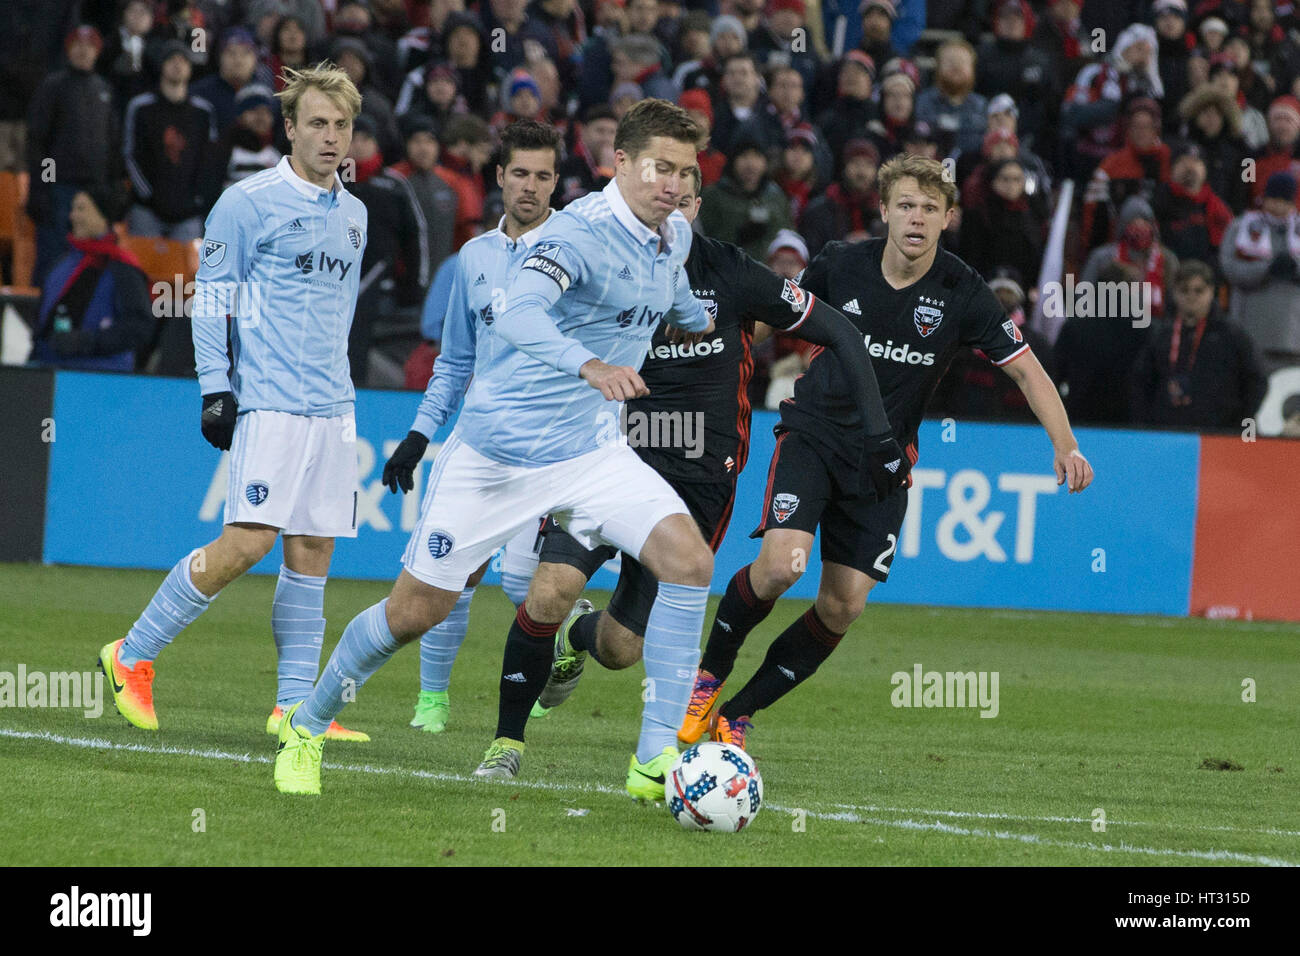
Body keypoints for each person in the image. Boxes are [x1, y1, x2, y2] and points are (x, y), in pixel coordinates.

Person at [269, 100, 718, 797]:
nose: (674, 184)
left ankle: (653, 759)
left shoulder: (673, 236)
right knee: (413, 615)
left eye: (686, 172)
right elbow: (517, 313)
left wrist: (699, 318)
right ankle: (308, 722)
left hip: (590, 453)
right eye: (661, 167)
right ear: (621, 163)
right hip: (495, 458)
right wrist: (588, 366)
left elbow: (673, 293)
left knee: (689, 562)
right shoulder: (577, 235)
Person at [497, 169, 901, 799]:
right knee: (548, 589)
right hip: (606, 466)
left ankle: (579, 637)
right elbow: (535, 332)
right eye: (662, 197)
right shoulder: (605, 267)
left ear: (698, 207)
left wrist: (880, 434)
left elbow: (836, 331)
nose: (672, 210)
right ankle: (506, 745)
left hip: (694, 489)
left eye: (684, 199)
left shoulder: (734, 274)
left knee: (621, 647)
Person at [679, 154, 1093, 750]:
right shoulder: (840, 264)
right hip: (812, 437)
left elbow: (1026, 370)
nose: (916, 218)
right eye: (905, 205)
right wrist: (715, 356)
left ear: (948, 217)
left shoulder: (963, 291)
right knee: (780, 567)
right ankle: (708, 678)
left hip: (882, 466)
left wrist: (1066, 444)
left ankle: (737, 715)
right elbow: (768, 321)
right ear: (884, 211)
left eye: (929, 208)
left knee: (843, 606)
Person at [97, 64, 371, 745]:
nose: (331, 137)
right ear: (289, 127)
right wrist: (216, 388)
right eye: (317, 123)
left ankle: (294, 709)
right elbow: (213, 295)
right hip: (271, 404)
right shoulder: (245, 204)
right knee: (248, 544)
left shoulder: (358, 215)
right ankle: (131, 653)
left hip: (333, 409)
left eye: (341, 125)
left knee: (312, 551)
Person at [383, 120, 563, 733]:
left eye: (543, 176)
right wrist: (418, 434)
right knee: (450, 578)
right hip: (481, 443)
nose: (531, 187)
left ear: (556, 182)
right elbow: (456, 361)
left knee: (523, 581)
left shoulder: (577, 252)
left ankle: (548, 660)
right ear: (500, 178)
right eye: (520, 174)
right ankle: (432, 702)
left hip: (551, 448)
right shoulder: (474, 258)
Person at [26, 25, 121, 287]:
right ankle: (43, 315)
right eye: (77, 44)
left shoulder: (104, 89)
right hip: (61, 188)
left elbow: (113, 143)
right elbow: (39, 141)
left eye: (90, 45)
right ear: (68, 50)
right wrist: (42, 187)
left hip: (95, 190)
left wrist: (112, 185)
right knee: (54, 257)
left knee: (94, 258)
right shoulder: (53, 86)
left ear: (97, 52)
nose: (83, 50)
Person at [28, 185, 153, 371]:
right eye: (73, 209)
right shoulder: (61, 264)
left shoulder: (121, 267)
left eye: (82, 209)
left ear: (103, 217)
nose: (73, 216)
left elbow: (139, 326)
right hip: (49, 371)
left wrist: (89, 341)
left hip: (102, 376)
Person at [1130, 259, 1267, 429]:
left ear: (1211, 292)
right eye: (1184, 290)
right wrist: (1145, 423)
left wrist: (1239, 423)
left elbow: (1257, 380)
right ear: (1174, 293)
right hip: (1165, 433)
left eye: (1199, 290)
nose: (1191, 296)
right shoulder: (1160, 334)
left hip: (1218, 434)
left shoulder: (1233, 335)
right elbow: (1140, 382)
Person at [123, 41, 217, 241]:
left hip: (188, 211)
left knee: (183, 272)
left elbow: (209, 159)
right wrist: (147, 194)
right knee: (143, 269)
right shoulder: (141, 107)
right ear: (162, 66)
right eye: (171, 59)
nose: (177, 64)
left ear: (190, 68)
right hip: (147, 208)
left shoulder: (203, 111)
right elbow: (129, 154)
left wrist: (197, 197)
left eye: (183, 60)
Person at [1220, 171, 1300, 377]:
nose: (1278, 205)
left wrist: (1295, 268)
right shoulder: (1241, 226)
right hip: (1250, 326)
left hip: (1292, 334)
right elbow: (1229, 267)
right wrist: (1266, 269)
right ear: (1264, 198)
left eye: (1284, 200)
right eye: (1274, 198)